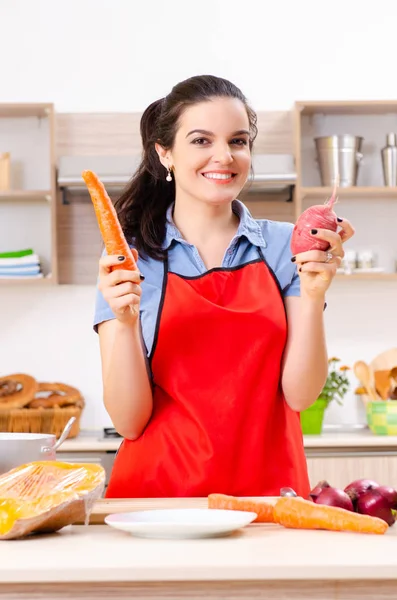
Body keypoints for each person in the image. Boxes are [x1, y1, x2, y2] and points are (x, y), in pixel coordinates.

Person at [93, 75, 355, 499]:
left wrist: (313, 294)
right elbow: (129, 421)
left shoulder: (283, 248)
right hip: (157, 505)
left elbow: (301, 395)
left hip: (268, 502)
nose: (224, 156)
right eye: (200, 140)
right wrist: (123, 322)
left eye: (237, 141)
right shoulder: (131, 259)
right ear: (165, 154)